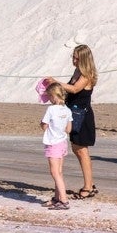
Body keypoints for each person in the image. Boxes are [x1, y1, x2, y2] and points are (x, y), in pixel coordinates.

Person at [44, 44, 99, 199]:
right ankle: (90, 184)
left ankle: (88, 187)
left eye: (76, 57)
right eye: (73, 56)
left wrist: (56, 82)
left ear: (83, 59)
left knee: (82, 151)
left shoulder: (87, 74)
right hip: (74, 114)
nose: (73, 60)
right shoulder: (78, 71)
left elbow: (74, 89)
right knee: (77, 149)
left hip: (83, 116)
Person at [42, 82, 73, 210]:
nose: (49, 99)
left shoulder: (51, 109)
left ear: (54, 96)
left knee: (55, 172)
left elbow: (44, 125)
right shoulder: (67, 110)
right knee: (59, 172)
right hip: (62, 142)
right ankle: (57, 197)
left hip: (53, 143)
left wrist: (47, 126)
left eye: (49, 96)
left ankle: (64, 200)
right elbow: (69, 129)